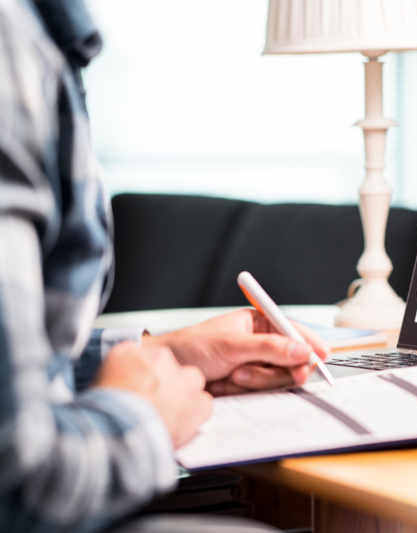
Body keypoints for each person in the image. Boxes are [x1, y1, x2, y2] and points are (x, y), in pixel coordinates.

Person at [0, 0, 330, 531]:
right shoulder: (12, 48)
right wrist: (142, 414)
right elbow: (19, 487)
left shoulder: (44, 40)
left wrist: (160, 355)